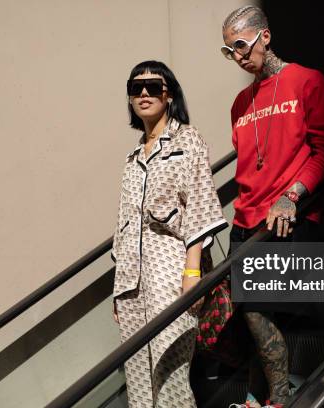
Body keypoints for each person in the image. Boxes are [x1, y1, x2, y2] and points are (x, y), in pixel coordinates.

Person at [221, 5, 324, 408]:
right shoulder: (240, 103)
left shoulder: (307, 81)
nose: (236, 55)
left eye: (240, 44)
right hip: (245, 223)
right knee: (250, 320)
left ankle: (280, 398)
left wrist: (292, 196)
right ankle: (256, 400)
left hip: (284, 221)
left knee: (255, 312)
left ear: (264, 36)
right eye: (228, 50)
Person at [110, 60, 229, 408]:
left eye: (153, 86)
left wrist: (193, 276)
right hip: (131, 284)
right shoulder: (132, 158)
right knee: (138, 380)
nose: (144, 93)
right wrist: (118, 289)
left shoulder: (188, 140)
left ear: (169, 93)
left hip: (171, 277)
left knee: (172, 377)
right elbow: (122, 226)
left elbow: (200, 209)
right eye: (136, 88)